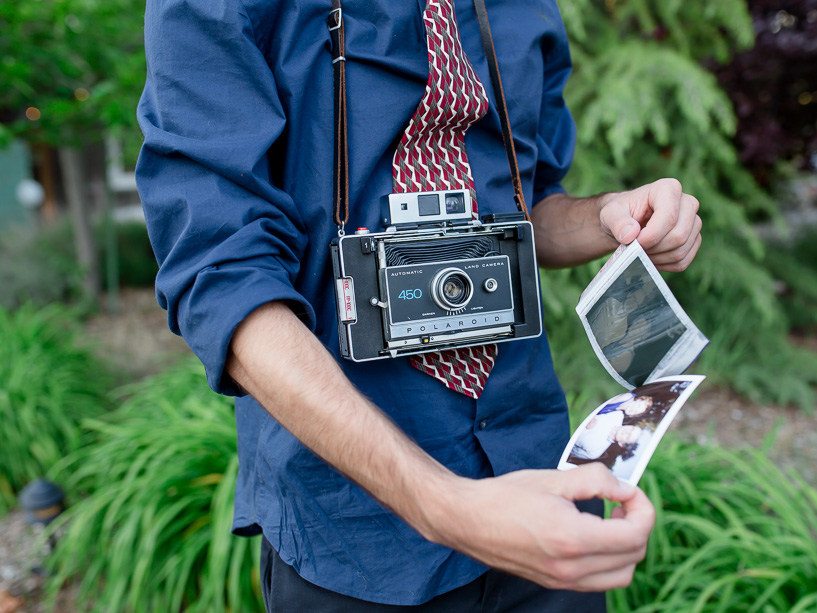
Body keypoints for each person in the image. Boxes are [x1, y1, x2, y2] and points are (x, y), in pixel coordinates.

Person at [136, 0, 702, 610]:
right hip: (358, 535)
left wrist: (606, 217)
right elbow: (225, 280)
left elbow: (527, 206)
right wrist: (445, 505)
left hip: (539, 478)